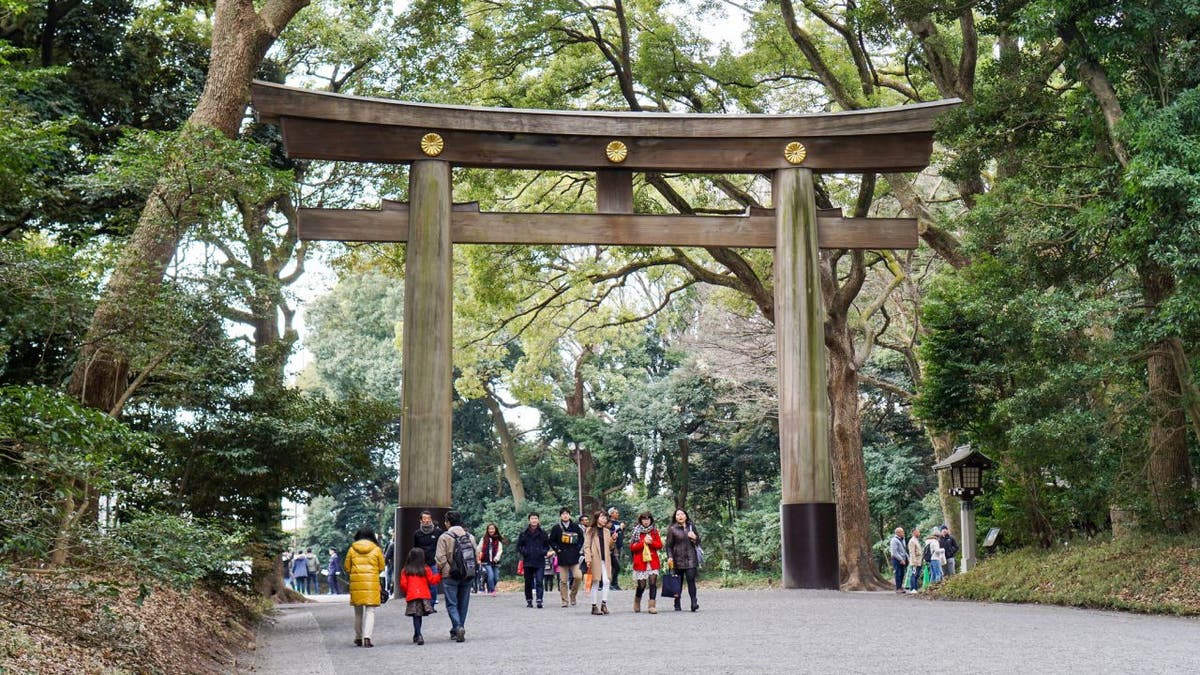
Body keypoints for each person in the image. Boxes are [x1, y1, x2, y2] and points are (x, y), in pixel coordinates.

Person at [434, 510, 476, 642]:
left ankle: (457, 627)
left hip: (450, 576)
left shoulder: (444, 537)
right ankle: (458, 628)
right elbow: (475, 554)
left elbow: (440, 558)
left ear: (448, 522)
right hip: (467, 574)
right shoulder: (470, 536)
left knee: (452, 604)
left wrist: (447, 570)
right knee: (463, 604)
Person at [343, 526, 386, 648]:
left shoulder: (352, 549)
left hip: (356, 583)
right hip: (371, 582)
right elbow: (382, 567)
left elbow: (346, 566)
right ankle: (367, 638)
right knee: (370, 611)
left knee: (358, 612)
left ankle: (358, 637)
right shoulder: (376, 549)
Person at [399, 546, 442, 646]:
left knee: (416, 616)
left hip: (412, 595)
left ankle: (418, 634)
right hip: (423, 595)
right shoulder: (425, 569)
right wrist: (440, 574)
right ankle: (417, 634)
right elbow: (432, 581)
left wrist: (408, 591)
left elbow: (403, 585)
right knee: (419, 616)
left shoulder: (405, 570)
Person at [665, 508, 701, 612]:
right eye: (678, 515)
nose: (680, 516)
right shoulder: (672, 529)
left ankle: (694, 602)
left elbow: (698, 541)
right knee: (678, 582)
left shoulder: (691, 526)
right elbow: (668, 546)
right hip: (677, 559)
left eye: (682, 514)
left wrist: (694, 537)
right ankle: (677, 603)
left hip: (691, 558)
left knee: (691, 580)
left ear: (686, 516)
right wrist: (670, 557)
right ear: (675, 517)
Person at [549, 507, 585, 607]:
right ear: (560, 516)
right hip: (562, 557)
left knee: (578, 576)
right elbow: (551, 540)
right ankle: (564, 600)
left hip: (574, 556)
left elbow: (581, 538)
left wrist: (578, 548)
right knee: (563, 580)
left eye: (567, 513)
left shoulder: (575, 526)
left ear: (569, 515)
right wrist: (557, 549)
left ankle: (573, 595)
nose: (565, 515)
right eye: (563, 514)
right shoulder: (556, 527)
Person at [629, 511, 663, 614]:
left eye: (648, 519)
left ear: (651, 520)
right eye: (644, 519)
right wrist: (643, 542)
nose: (646, 521)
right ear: (640, 520)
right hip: (640, 562)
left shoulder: (654, 531)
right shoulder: (636, 531)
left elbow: (659, 545)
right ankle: (637, 601)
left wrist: (651, 542)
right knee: (642, 585)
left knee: (653, 583)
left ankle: (652, 606)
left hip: (652, 561)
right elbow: (632, 547)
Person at [583, 510, 615, 615]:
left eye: (605, 518)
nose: (604, 519)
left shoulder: (606, 531)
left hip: (605, 559)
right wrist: (588, 559)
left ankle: (604, 604)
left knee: (606, 581)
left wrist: (613, 540)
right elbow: (586, 546)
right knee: (595, 582)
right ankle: (594, 606)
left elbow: (610, 547)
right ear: (597, 518)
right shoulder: (590, 530)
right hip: (594, 559)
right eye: (602, 517)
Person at [517, 512, 551, 608]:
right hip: (528, 561)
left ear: (538, 520)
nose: (534, 520)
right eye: (532, 518)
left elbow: (546, 546)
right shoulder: (524, 533)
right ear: (529, 520)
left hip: (539, 560)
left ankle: (539, 599)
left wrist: (542, 552)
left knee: (539, 581)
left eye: (536, 518)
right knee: (528, 581)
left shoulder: (543, 533)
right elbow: (519, 546)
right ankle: (529, 599)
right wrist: (525, 552)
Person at [413, 510, 444, 611]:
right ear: (420, 520)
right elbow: (415, 548)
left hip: (433, 563)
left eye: (428, 518)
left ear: (431, 519)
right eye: (424, 518)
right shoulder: (417, 534)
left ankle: (431, 605)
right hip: (421, 563)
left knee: (433, 585)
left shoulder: (438, 532)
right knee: (422, 584)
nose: (426, 520)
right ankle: (423, 605)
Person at [476, 523, 504, 596]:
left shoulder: (498, 540)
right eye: (489, 529)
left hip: (495, 561)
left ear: (495, 530)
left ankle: (489, 587)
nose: (491, 530)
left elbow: (500, 550)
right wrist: (478, 558)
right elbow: (478, 549)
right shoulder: (483, 539)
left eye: (492, 529)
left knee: (496, 577)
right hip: (486, 561)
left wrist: (497, 558)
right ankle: (492, 590)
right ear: (487, 530)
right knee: (490, 575)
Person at [608, 507, 625, 591]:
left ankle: (615, 584)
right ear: (611, 514)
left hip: (619, 546)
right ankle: (611, 583)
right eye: (616, 513)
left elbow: (621, 533)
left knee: (617, 566)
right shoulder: (609, 523)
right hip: (612, 547)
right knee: (615, 565)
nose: (618, 514)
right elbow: (610, 533)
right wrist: (619, 529)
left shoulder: (619, 522)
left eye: (618, 512)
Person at [888, 527, 908, 594]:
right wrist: (901, 559)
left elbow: (904, 551)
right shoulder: (894, 540)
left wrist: (908, 558)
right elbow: (894, 552)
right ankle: (898, 588)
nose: (903, 533)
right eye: (902, 532)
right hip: (896, 559)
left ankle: (900, 586)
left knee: (902, 573)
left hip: (903, 559)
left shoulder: (903, 539)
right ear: (898, 533)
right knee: (898, 573)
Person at [907, 528, 923, 593]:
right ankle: (912, 588)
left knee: (917, 575)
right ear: (914, 533)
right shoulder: (912, 541)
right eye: (918, 532)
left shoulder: (916, 540)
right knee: (914, 574)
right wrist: (914, 561)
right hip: (915, 561)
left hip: (919, 560)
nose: (919, 533)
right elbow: (912, 552)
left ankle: (916, 588)